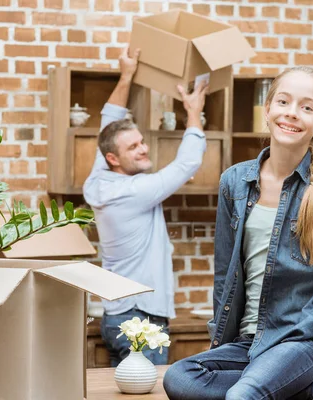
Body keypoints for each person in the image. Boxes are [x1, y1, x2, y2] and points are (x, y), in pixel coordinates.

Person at [163, 66, 313, 400]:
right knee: (180, 378)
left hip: (303, 340)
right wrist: (217, 344)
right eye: (284, 101)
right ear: (268, 109)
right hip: (247, 341)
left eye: (306, 107)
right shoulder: (235, 182)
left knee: (241, 396)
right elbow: (225, 275)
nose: (292, 113)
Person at [82, 47, 208, 366]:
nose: (143, 149)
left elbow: (109, 122)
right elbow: (188, 162)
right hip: (142, 319)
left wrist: (126, 75)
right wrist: (194, 111)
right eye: (133, 147)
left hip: (116, 316)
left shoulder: (99, 178)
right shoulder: (135, 191)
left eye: (141, 141)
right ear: (114, 158)